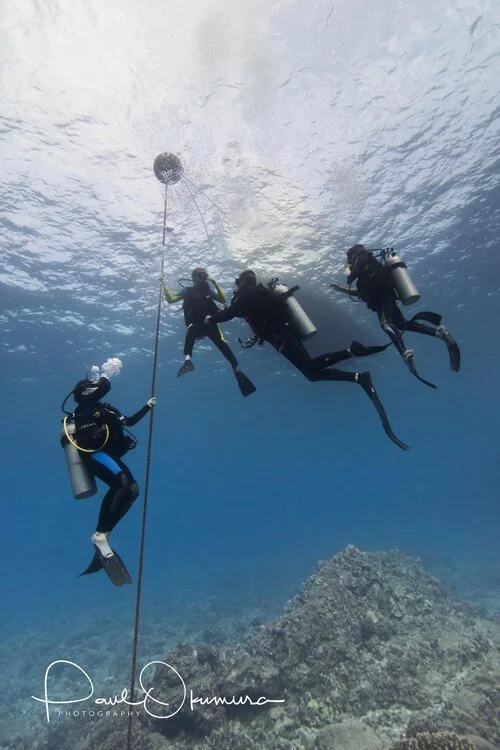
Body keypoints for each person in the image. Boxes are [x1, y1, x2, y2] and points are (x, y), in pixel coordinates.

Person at [204, 269, 408, 450]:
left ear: (241, 283)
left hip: (282, 337)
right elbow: (244, 313)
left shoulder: (247, 294)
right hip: (285, 335)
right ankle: (358, 377)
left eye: (237, 284)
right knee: (311, 373)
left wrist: (210, 319)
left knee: (309, 367)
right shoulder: (258, 293)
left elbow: (231, 313)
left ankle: (352, 351)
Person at [64, 374, 155, 584]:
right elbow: (105, 385)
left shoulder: (105, 409)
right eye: (89, 386)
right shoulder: (84, 409)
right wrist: (102, 377)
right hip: (93, 455)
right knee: (122, 484)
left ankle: (103, 535)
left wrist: (148, 406)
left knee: (132, 489)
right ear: (83, 393)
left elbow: (129, 421)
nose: (94, 387)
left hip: (105, 455)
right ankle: (100, 535)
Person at [331, 244, 460, 388]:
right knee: (401, 324)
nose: (349, 262)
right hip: (382, 297)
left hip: (382, 295)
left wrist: (350, 274)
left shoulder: (362, 258)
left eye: (349, 258)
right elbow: (361, 293)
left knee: (386, 324)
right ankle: (439, 332)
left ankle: (404, 353)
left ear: (353, 254)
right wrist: (340, 289)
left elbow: (359, 265)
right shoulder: (365, 271)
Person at [164, 267, 256, 397]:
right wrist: (164, 286)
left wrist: (215, 284)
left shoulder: (208, 290)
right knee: (192, 330)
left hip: (210, 322)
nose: (203, 277)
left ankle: (236, 368)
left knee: (221, 342)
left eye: (204, 275)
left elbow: (223, 300)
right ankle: (187, 361)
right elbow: (171, 300)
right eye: (200, 275)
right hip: (197, 324)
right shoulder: (188, 290)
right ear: (194, 277)